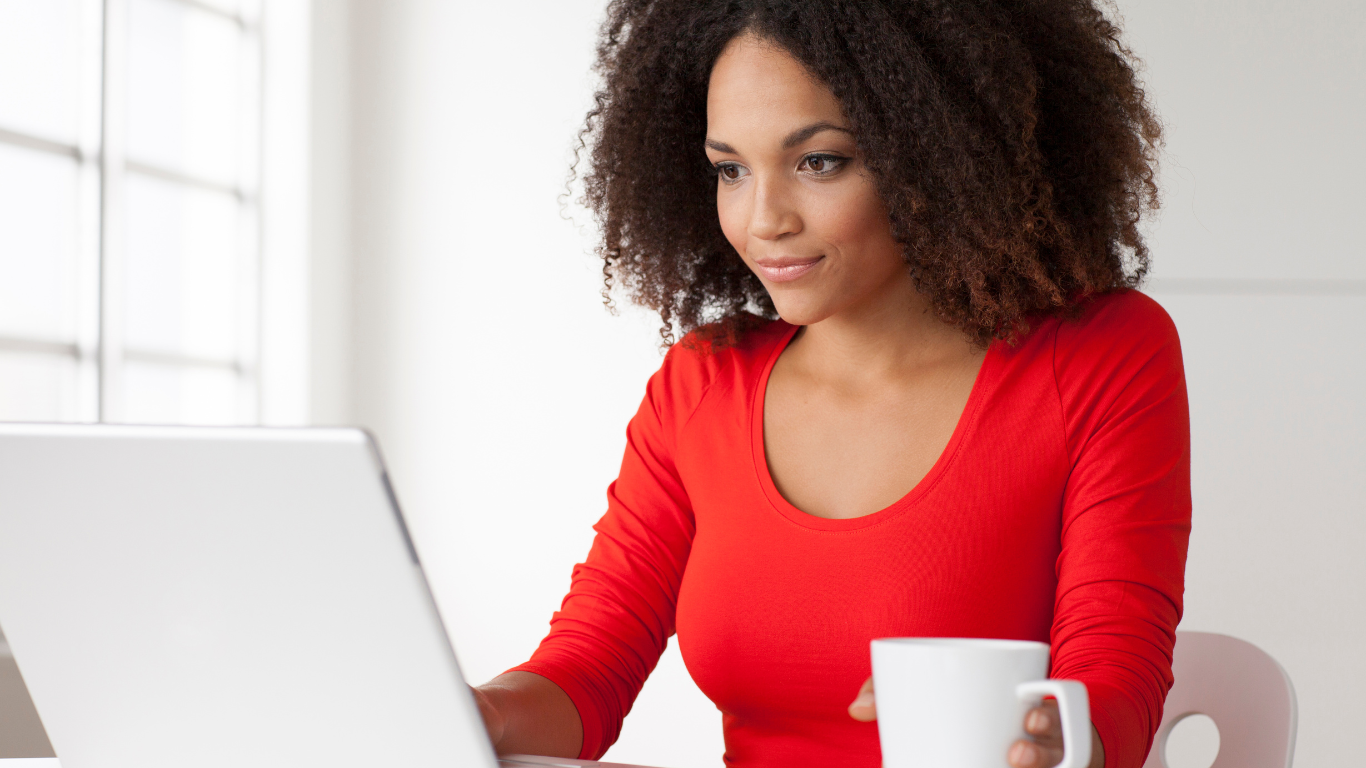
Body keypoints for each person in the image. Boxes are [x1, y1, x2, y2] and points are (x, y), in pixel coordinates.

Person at [473, 2, 1190, 767]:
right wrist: (480, 714)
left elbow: (1116, 673)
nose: (763, 219)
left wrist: (1047, 731)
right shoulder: (701, 386)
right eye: (731, 170)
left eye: (820, 161)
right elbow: (585, 672)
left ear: (940, 150)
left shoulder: (1097, 356)